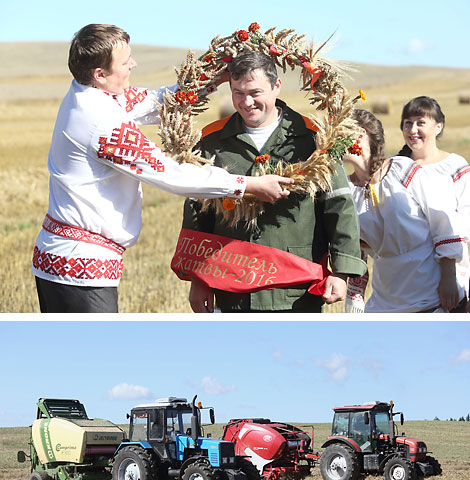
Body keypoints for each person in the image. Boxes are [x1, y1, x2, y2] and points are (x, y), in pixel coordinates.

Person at [33, 25, 295, 314]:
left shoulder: (89, 93)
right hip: (79, 270)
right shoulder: (101, 123)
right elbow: (171, 174)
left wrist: (211, 79)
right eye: (125, 62)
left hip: (64, 260)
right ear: (100, 74)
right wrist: (249, 185)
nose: (133, 64)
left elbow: (158, 102)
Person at [179, 48, 365, 313]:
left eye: (255, 93)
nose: (246, 102)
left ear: (276, 86)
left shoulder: (314, 139)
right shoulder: (211, 141)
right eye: (238, 93)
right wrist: (199, 278)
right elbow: (198, 211)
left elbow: (339, 205)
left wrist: (343, 271)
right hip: (231, 287)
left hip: (297, 290)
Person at [344, 107, 468, 313]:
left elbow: (443, 222)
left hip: (428, 287)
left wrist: (449, 277)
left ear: (360, 135)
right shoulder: (347, 190)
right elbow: (358, 250)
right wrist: (355, 293)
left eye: (339, 134)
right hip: (387, 295)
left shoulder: (403, 169)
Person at [399, 95, 470, 300]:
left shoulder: (456, 166)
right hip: (405, 275)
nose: (413, 129)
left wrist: (449, 275)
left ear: (438, 126)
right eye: (408, 123)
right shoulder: (394, 167)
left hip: (450, 271)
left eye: (421, 122)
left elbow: (464, 218)